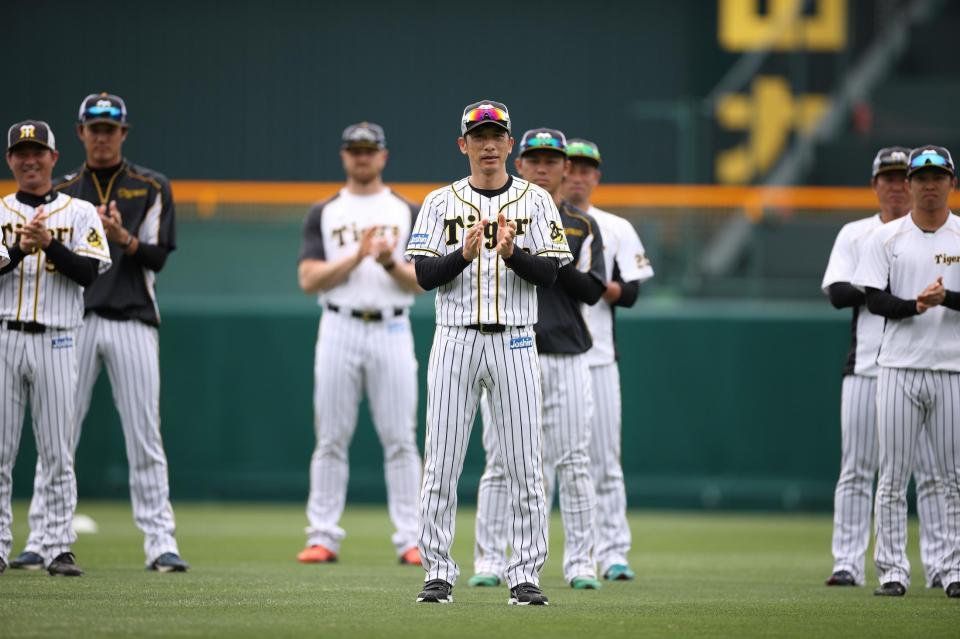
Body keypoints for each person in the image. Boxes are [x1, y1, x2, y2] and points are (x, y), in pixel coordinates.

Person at [9, 94, 187, 573]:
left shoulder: (150, 186)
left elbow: (158, 258)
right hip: (73, 319)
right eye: (95, 128)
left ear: (123, 134)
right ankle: (42, 539)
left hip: (132, 316)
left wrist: (123, 238)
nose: (102, 136)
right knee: (58, 434)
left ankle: (160, 542)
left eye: (110, 129)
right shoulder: (63, 189)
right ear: (80, 133)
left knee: (144, 434)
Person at [405, 101, 572, 605]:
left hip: (517, 338)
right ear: (464, 145)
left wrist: (512, 252)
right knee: (442, 461)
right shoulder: (439, 201)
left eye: (497, 134)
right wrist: (464, 254)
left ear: (508, 141)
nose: (489, 144)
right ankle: (438, 570)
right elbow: (423, 276)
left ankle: (524, 575)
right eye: (479, 136)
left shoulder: (537, 201)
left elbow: (551, 274)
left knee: (525, 463)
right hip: (455, 338)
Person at [469, 128, 607, 591]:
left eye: (552, 160)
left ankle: (581, 563)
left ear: (565, 168)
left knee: (573, 460)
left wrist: (549, 254)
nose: (544, 167)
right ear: (519, 162)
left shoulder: (581, 224)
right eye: (535, 159)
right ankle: (489, 559)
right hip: (510, 349)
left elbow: (592, 290)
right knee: (500, 461)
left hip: (566, 350)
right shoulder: (491, 214)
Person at [297, 122, 423, 565]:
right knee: (331, 436)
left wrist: (389, 262)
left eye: (370, 150)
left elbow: (422, 283)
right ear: (344, 155)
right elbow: (308, 279)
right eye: (355, 149)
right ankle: (323, 537)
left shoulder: (407, 209)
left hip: (391, 325)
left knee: (401, 438)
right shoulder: (325, 211)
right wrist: (356, 256)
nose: (362, 157)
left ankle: (412, 538)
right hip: (339, 324)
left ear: (383, 156)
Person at [821, 147, 947, 589]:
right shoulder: (859, 235)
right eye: (888, 178)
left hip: (930, 364)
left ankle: (939, 566)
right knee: (859, 468)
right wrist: (883, 283)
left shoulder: (937, 234)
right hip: (867, 363)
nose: (895, 185)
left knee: (933, 473)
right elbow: (837, 292)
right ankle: (847, 562)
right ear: (875, 185)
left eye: (901, 177)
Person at [0, 120, 112, 576]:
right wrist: (22, 249)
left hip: (58, 337)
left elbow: (89, 273)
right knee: (0, 451)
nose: (30, 160)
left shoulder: (80, 211)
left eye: (38, 151)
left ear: (53, 157)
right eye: (21, 152)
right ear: (10, 160)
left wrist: (48, 244)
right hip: (5, 334)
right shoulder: (0, 210)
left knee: (57, 450)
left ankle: (58, 546)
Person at [852, 145, 960, 598]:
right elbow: (874, 299)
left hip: (951, 368)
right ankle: (893, 571)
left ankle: (953, 569)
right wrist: (916, 304)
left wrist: (945, 300)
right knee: (893, 476)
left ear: (951, 183)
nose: (928, 185)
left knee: (953, 476)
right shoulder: (887, 238)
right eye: (921, 178)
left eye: (938, 177)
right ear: (911, 185)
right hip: (897, 368)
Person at [563, 138, 654, 581]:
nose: (578, 176)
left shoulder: (614, 227)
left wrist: (592, 283)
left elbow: (633, 292)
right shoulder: (542, 220)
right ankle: (532, 554)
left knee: (603, 460)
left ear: (597, 176)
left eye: (587, 169)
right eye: (573, 167)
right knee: (535, 464)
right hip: (545, 353)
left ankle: (613, 551)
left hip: (597, 356)